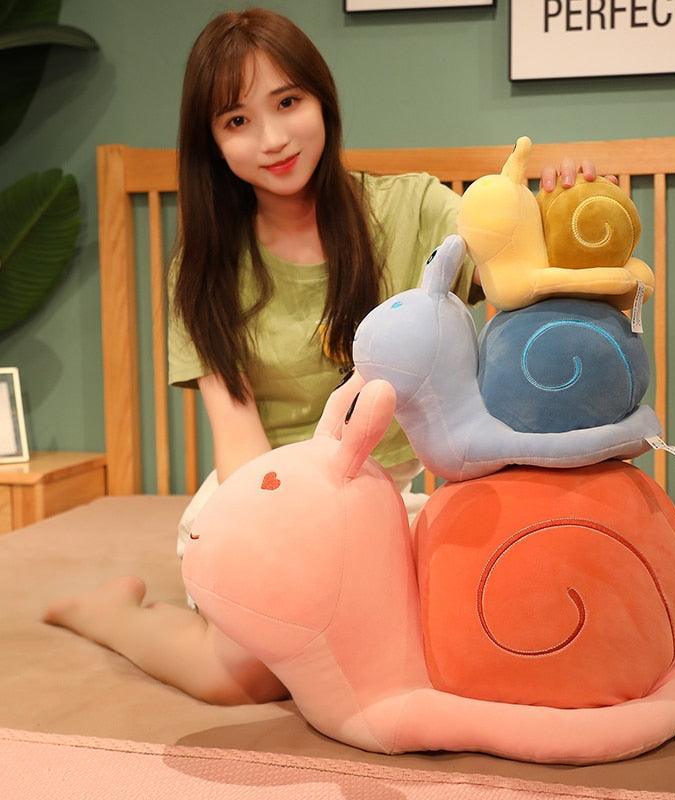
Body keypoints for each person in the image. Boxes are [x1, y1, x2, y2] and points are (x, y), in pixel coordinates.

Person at [44, 8, 613, 706]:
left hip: (389, 498)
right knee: (242, 678)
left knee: (473, 621)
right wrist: (293, 550)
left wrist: (569, 211)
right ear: (211, 141)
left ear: (322, 99)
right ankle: (111, 616)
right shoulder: (202, 270)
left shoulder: (411, 209)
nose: (272, 138)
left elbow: (523, 273)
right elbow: (240, 445)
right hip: (267, 500)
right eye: (237, 120)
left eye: (288, 102)